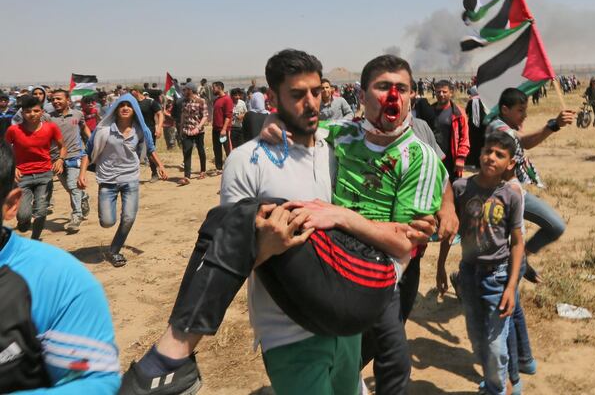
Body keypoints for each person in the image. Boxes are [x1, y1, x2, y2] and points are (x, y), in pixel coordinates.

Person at [120, 51, 446, 395]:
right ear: (361, 96)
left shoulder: (413, 154)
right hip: (303, 315)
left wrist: (339, 214)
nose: (310, 103)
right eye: (297, 95)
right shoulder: (334, 141)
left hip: (370, 278)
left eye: (316, 93)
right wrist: (269, 124)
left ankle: (171, 358)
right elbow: (233, 253)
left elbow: (406, 240)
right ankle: (174, 356)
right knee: (233, 219)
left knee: (263, 212)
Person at [0, 141, 121, 392]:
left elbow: (94, 382)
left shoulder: (56, 281)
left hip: (47, 173)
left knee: (43, 206)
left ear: (10, 204)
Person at [437, 131, 524, 395]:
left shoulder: (511, 195)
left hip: (497, 277)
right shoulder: (462, 188)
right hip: (468, 275)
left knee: (496, 348)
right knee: (477, 341)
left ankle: (497, 389)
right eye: (488, 151)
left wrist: (511, 287)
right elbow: (449, 230)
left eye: (500, 155)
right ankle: (495, 383)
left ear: (510, 164)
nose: (491, 158)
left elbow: (518, 242)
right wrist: (440, 266)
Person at [486, 88, 573, 282]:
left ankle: (520, 258)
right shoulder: (499, 130)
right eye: (520, 110)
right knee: (493, 257)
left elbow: (522, 142)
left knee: (555, 226)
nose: (525, 115)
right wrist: (553, 125)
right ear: (505, 109)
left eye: (525, 110)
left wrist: (553, 125)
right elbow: (517, 142)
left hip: (515, 192)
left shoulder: (507, 129)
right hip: (498, 197)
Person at [78, 94, 168, 267]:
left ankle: (114, 250)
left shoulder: (141, 130)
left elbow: (150, 149)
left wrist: (160, 166)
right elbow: (87, 153)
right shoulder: (103, 130)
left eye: (129, 105)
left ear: (134, 110)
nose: (125, 108)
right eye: (122, 105)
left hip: (130, 178)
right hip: (107, 180)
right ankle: (110, 229)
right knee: (107, 221)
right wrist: (82, 173)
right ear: (116, 109)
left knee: (128, 218)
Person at [4, 95, 65, 241]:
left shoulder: (51, 128)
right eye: (28, 111)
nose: (32, 114)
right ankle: (23, 221)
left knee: (41, 210)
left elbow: (62, 146)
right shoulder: (14, 130)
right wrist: (13, 167)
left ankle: (35, 239)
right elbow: (4, 150)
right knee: (23, 214)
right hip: (22, 176)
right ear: (22, 113)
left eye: (36, 111)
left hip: (44, 174)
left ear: (42, 112)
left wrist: (60, 160)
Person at [49, 89, 92, 232]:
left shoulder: (77, 115)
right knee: (69, 188)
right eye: (53, 99)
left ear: (68, 100)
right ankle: (84, 197)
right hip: (56, 159)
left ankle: (76, 216)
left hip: (75, 156)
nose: (55, 101)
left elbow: (84, 127)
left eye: (59, 99)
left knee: (73, 186)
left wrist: (91, 141)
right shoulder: (48, 118)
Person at [433, 79, 470, 180]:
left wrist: (461, 158)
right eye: (438, 92)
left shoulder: (458, 113)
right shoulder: (429, 111)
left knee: (452, 190)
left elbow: (464, 137)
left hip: (451, 161)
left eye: (444, 92)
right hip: (433, 160)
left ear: (451, 93)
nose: (441, 94)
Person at [131, 87, 164, 183]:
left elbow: (160, 114)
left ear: (137, 91)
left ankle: (154, 173)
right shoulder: (133, 104)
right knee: (134, 153)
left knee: (150, 153)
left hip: (149, 131)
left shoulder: (150, 102)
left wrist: (159, 127)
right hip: (136, 132)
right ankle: (132, 175)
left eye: (132, 92)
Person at [177, 83, 208, 186]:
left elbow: (205, 116)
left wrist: (198, 127)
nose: (183, 91)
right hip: (187, 130)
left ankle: (203, 170)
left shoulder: (201, 101)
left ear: (191, 90)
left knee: (201, 150)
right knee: (186, 152)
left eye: (185, 90)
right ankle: (187, 176)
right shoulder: (184, 102)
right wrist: (180, 131)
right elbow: (182, 116)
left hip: (198, 131)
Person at [211, 81, 233, 173]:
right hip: (215, 129)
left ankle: (231, 167)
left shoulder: (227, 99)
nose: (212, 89)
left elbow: (228, 116)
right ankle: (219, 168)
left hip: (223, 130)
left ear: (219, 88)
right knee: (217, 149)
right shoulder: (216, 100)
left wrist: (224, 129)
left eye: (213, 87)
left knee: (227, 149)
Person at [465, 86, 487, 167]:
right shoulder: (484, 100)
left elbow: (466, 111)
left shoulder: (471, 101)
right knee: (482, 143)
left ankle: (473, 161)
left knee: (473, 143)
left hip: (472, 125)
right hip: (484, 125)